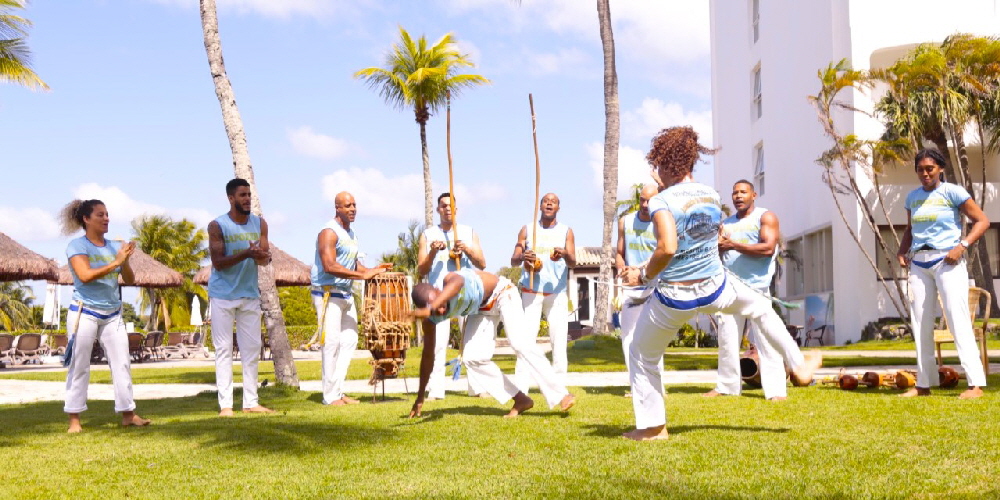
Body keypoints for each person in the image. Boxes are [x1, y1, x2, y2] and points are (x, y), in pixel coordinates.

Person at [622, 126, 821, 441]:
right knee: (760, 306)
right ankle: (799, 363)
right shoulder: (711, 196)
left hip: (676, 296)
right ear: (690, 161)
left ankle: (652, 427)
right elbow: (710, 236)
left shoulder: (661, 201)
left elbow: (668, 248)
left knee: (641, 353)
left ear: (664, 164)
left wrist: (642, 275)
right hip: (716, 287)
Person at [409, 268, 576, 418]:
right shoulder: (430, 320)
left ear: (438, 290)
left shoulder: (450, 279)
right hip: (480, 310)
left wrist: (431, 308)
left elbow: (458, 282)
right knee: (472, 358)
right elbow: (427, 358)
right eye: (433, 309)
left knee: (519, 343)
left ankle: (561, 394)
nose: (440, 310)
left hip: (502, 293)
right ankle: (521, 399)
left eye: (438, 303)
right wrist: (420, 396)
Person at [896, 148, 989, 399]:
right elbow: (910, 229)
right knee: (921, 323)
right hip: (919, 264)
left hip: (948, 261)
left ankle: (975, 384)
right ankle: (923, 385)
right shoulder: (912, 197)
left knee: (957, 320)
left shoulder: (953, 192)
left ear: (940, 169)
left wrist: (962, 246)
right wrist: (902, 251)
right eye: (920, 169)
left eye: (930, 168)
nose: (925, 173)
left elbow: (982, 221)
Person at [60, 198, 150, 433]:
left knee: (122, 363)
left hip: (112, 314)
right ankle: (74, 420)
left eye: (107, 214)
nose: (106, 218)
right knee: (79, 365)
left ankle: (128, 414)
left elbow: (129, 279)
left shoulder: (114, 246)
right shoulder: (77, 246)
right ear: (86, 219)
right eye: (100, 214)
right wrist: (115, 263)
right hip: (84, 312)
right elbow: (85, 275)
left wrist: (125, 261)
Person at [706, 180, 793, 401]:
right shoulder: (725, 224)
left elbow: (767, 248)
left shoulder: (765, 217)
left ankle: (775, 391)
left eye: (743, 192)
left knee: (766, 339)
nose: (738, 196)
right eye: (734, 192)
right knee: (727, 338)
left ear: (753, 195)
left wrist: (733, 244)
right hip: (730, 288)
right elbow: (718, 253)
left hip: (757, 289)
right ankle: (727, 387)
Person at [312, 191, 389, 406]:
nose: (353, 209)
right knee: (331, 344)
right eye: (347, 205)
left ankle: (338, 391)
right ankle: (329, 397)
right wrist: (362, 276)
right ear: (337, 208)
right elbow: (330, 266)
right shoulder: (328, 232)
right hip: (328, 292)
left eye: (354, 205)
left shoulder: (352, 234)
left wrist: (374, 270)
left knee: (350, 341)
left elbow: (354, 265)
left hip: (345, 293)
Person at [207, 178, 274, 417]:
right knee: (224, 349)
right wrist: (246, 252)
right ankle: (226, 405)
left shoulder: (260, 223)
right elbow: (218, 262)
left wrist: (259, 255)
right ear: (231, 198)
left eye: (249, 195)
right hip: (222, 295)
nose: (247, 199)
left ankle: (251, 402)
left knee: (252, 349)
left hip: (249, 294)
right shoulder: (217, 225)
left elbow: (265, 259)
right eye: (242, 195)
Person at [416, 193, 487, 400]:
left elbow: (482, 263)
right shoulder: (428, 234)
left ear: (456, 209)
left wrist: (466, 249)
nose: (447, 209)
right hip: (440, 296)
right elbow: (421, 270)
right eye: (443, 206)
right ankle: (436, 391)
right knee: (438, 345)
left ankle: (476, 387)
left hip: (465, 294)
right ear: (438, 209)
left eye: (451, 206)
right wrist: (432, 253)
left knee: (472, 342)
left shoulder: (468, 232)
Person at [511, 193, 575, 390]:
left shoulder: (566, 231)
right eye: (546, 201)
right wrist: (523, 256)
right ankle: (521, 387)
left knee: (559, 340)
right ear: (540, 206)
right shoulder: (527, 229)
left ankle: (559, 387)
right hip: (531, 290)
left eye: (554, 201)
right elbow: (513, 260)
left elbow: (573, 262)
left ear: (558, 208)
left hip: (556, 292)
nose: (549, 203)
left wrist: (564, 254)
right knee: (526, 340)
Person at [615, 184, 665, 393]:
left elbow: (666, 254)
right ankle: (636, 384)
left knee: (654, 338)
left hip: (655, 286)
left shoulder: (663, 223)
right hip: (630, 289)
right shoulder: (625, 222)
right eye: (643, 200)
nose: (645, 204)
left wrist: (645, 274)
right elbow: (619, 252)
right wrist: (621, 267)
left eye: (650, 201)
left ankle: (657, 384)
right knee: (629, 338)